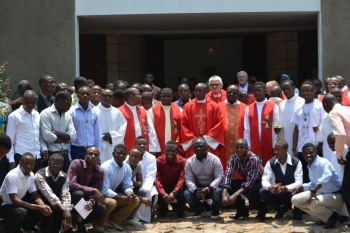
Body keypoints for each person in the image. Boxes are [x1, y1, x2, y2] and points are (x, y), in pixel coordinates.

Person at [291, 143, 344, 229]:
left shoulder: (323, 162)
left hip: (335, 196)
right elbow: (313, 183)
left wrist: (314, 190)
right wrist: (301, 187)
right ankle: (326, 217)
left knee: (312, 202)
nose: (308, 155)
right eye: (305, 154)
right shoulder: (310, 166)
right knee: (295, 200)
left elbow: (326, 176)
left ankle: (332, 217)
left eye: (310, 152)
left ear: (316, 151)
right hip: (321, 194)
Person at [0, 153, 52, 233]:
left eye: (31, 164)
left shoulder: (31, 175)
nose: (28, 166)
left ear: (34, 165)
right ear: (20, 163)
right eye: (25, 163)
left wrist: (43, 206)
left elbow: (35, 194)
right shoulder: (12, 175)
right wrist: (39, 207)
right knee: (21, 212)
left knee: (41, 209)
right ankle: (4, 230)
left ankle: (24, 228)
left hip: (15, 206)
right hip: (3, 206)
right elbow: (15, 201)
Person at [94, 144, 141, 232]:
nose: (121, 156)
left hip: (113, 194)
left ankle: (113, 221)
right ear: (113, 154)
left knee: (135, 200)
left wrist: (129, 193)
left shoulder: (127, 168)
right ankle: (98, 224)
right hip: (100, 196)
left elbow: (128, 185)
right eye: (118, 153)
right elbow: (104, 190)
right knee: (112, 202)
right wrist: (121, 197)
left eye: (124, 154)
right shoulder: (106, 166)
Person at [221, 138, 266, 221]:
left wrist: (235, 194)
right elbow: (228, 175)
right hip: (247, 181)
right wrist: (224, 194)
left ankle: (262, 210)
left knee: (250, 191)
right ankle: (241, 211)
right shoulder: (233, 158)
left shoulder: (253, 159)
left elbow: (251, 181)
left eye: (242, 147)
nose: (239, 149)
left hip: (259, 181)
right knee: (231, 185)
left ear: (247, 148)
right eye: (237, 147)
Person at [259, 140, 303, 220]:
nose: (275, 152)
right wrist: (270, 187)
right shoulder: (271, 163)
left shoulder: (296, 162)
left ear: (286, 150)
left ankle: (297, 211)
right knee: (263, 192)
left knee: (300, 190)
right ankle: (280, 208)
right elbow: (264, 179)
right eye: (274, 150)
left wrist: (285, 188)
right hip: (278, 193)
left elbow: (299, 182)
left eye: (278, 150)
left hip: (291, 193)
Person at [6, 90, 48, 173]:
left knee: (35, 184)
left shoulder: (37, 115)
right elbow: (9, 140)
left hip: (36, 157)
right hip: (21, 157)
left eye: (33, 102)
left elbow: (38, 135)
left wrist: (44, 148)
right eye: (27, 102)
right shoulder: (14, 116)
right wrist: (11, 161)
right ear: (22, 100)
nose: (30, 105)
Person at [291, 81, 325, 182]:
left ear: (314, 91)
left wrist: (320, 144)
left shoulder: (320, 106)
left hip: (316, 147)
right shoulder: (298, 108)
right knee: (305, 175)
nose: (305, 93)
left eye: (308, 90)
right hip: (302, 147)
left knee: (318, 174)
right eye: (303, 91)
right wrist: (294, 148)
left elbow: (323, 127)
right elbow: (296, 129)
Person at [180, 83, 224, 159]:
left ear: (206, 91)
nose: (197, 93)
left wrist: (206, 138)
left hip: (208, 143)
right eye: (196, 91)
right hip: (193, 143)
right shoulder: (188, 106)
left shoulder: (214, 106)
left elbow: (219, 124)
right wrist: (194, 139)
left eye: (200, 91)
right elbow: (183, 125)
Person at [68, 146, 106, 233]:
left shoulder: (99, 171)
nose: (93, 156)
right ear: (85, 156)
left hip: (87, 199)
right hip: (72, 198)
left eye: (96, 155)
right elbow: (71, 185)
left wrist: (92, 201)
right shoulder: (76, 163)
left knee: (102, 209)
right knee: (79, 194)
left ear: (98, 159)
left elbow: (98, 189)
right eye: (90, 154)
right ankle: (79, 225)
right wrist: (92, 190)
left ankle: (83, 222)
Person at [322, 94, 350, 215]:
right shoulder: (348, 109)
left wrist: (339, 155)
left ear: (326, 105)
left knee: (346, 189)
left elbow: (340, 135)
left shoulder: (333, 113)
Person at [184, 137, 223, 219]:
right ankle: (199, 208)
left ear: (206, 146)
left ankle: (215, 208)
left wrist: (209, 188)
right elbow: (188, 179)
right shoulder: (189, 162)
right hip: (199, 186)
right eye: (196, 146)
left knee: (218, 192)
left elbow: (219, 177)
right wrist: (195, 190)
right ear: (193, 148)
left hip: (213, 187)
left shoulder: (214, 159)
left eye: (201, 146)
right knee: (187, 194)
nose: (198, 148)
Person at [35, 153, 73, 233]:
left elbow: (65, 196)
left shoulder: (65, 177)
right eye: (53, 163)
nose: (55, 166)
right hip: (43, 204)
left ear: (62, 165)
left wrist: (66, 213)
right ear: (48, 163)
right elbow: (50, 195)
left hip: (58, 206)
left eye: (58, 164)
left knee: (68, 213)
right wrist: (65, 211)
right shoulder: (40, 174)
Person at [40, 91, 77, 172]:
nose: (70, 106)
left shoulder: (67, 116)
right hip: (51, 155)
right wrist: (66, 139)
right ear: (61, 101)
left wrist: (56, 133)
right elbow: (47, 136)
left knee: (65, 181)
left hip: (64, 155)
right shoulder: (46, 114)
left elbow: (73, 136)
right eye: (69, 102)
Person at [244, 81, 279, 166]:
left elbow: (276, 127)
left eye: (259, 90)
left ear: (265, 91)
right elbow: (246, 128)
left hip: (269, 143)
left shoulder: (273, 106)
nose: (257, 92)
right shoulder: (249, 108)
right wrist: (248, 146)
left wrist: (275, 145)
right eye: (255, 91)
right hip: (254, 144)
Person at [118, 88, 160, 154]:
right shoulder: (119, 111)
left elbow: (151, 130)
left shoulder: (143, 111)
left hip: (143, 148)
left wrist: (153, 148)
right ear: (131, 97)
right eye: (138, 94)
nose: (141, 96)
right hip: (126, 148)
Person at [93, 88, 127, 163]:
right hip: (99, 145)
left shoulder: (117, 112)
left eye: (110, 96)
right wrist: (101, 136)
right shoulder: (94, 111)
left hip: (113, 145)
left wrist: (111, 136)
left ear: (113, 98)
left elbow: (123, 127)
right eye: (105, 96)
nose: (107, 98)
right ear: (101, 97)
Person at [155, 141, 186, 218]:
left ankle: (180, 209)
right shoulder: (158, 161)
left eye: (173, 151)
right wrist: (163, 193)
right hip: (163, 185)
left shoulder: (183, 161)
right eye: (168, 150)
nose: (170, 153)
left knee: (183, 193)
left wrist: (175, 192)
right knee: (162, 214)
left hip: (177, 186)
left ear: (177, 151)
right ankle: (162, 208)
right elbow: (156, 179)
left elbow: (182, 178)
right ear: (164, 150)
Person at [218, 85, 246, 168]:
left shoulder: (245, 108)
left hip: (240, 143)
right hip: (223, 144)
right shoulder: (218, 106)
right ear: (226, 93)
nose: (231, 94)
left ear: (238, 95)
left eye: (234, 93)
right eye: (229, 92)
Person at [69, 86, 101, 160]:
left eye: (87, 94)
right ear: (78, 96)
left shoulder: (94, 112)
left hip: (91, 149)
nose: (85, 96)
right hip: (76, 149)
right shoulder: (71, 112)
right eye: (83, 93)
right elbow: (69, 134)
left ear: (90, 96)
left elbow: (96, 134)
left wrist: (98, 153)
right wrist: (69, 156)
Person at [148, 88, 182, 154]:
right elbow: (150, 130)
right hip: (158, 144)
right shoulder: (152, 110)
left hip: (175, 143)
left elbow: (182, 128)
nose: (166, 98)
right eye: (164, 96)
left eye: (168, 96)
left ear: (172, 97)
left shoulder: (179, 110)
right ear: (160, 97)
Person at [133, 136, 158, 223]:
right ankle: (134, 216)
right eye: (139, 144)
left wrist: (145, 188)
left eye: (144, 144)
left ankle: (145, 216)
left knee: (151, 193)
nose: (142, 145)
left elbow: (151, 175)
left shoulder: (151, 158)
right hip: (133, 185)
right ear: (135, 144)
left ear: (147, 145)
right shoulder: (129, 156)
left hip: (147, 184)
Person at [279, 80, 305, 156]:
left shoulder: (301, 102)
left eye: (288, 88)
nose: (286, 91)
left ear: (294, 87)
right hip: (284, 136)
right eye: (284, 89)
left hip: (297, 137)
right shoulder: (281, 104)